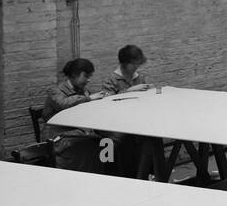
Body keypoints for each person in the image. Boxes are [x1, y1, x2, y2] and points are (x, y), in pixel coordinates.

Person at [101, 44, 164, 179]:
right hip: (118, 124)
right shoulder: (111, 80)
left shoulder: (139, 77)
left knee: (155, 137)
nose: (136, 67)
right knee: (112, 143)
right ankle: (118, 177)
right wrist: (129, 91)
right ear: (124, 63)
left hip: (137, 121)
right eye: (134, 64)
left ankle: (154, 175)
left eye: (138, 64)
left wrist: (152, 90)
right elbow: (107, 103)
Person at [42, 58, 104, 171]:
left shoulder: (84, 91)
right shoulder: (55, 91)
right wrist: (88, 98)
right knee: (92, 143)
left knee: (104, 140)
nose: (89, 80)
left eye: (90, 76)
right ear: (74, 75)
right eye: (86, 76)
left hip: (75, 134)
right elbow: (63, 104)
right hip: (57, 136)